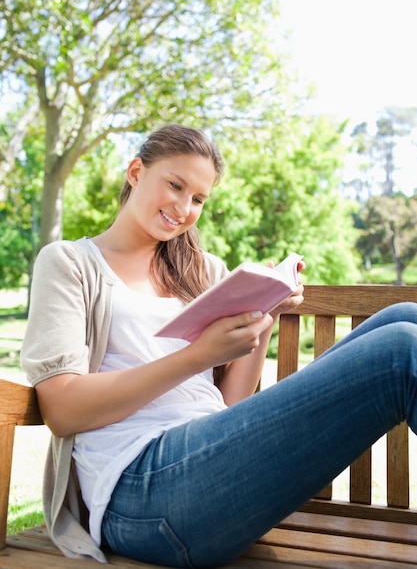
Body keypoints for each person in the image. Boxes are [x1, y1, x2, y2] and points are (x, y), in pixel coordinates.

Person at [21, 123, 417, 569]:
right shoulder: (71, 263)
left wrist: (268, 316)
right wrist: (196, 356)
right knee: (402, 351)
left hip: (209, 466)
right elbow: (62, 409)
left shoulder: (202, 270)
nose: (184, 208)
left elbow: (225, 404)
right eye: (175, 184)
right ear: (135, 172)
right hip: (140, 492)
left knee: (405, 316)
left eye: (199, 199)